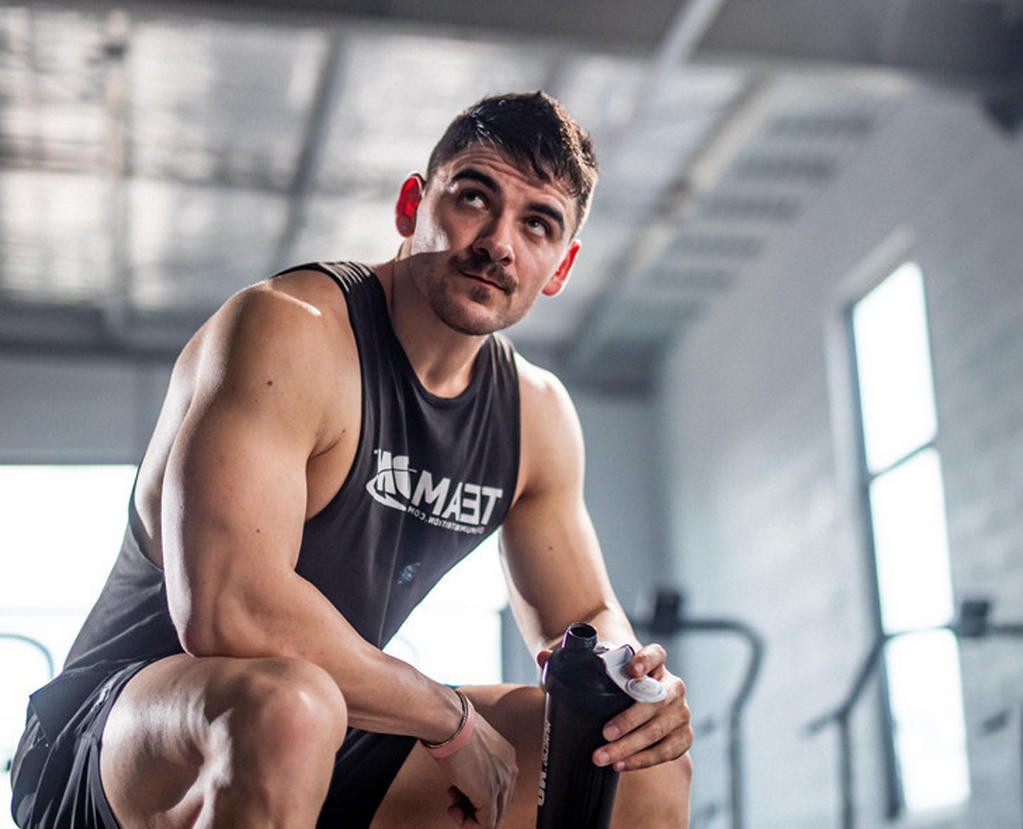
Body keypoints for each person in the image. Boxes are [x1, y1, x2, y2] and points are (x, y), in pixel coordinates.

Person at [11, 91, 692, 829]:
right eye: (473, 197)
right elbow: (227, 609)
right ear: (412, 206)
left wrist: (634, 683)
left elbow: (583, 620)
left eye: (536, 224)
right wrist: (449, 717)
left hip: (329, 727)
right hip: (115, 738)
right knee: (289, 705)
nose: (498, 241)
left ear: (558, 267)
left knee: (635, 762)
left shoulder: (535, 413)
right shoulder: (290, 329)